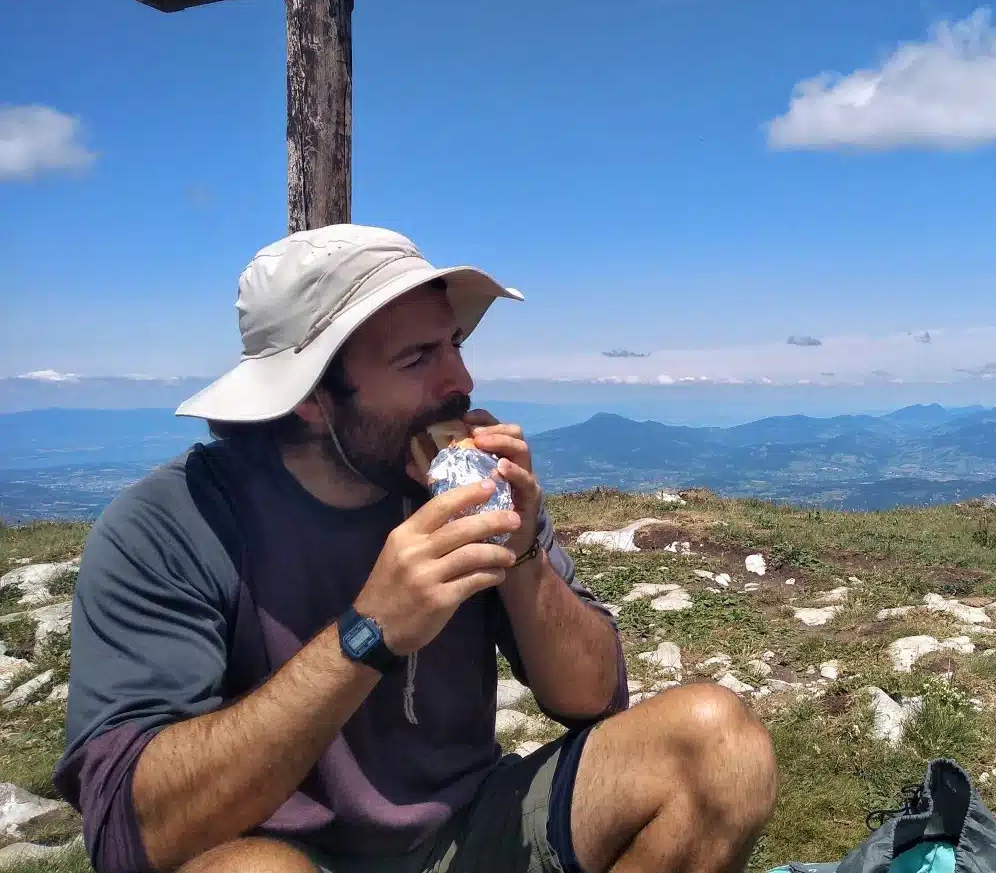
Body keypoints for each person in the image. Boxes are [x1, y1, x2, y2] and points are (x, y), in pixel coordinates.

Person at [54, 224, 778, 873]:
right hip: (287, 852)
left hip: (470, 828)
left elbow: (592, 698)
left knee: (720, 748)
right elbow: (130, 830)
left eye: (456, 344)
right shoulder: (172, 525)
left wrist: (521, 554)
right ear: (310, 397)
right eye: (417, 357)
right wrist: (370, 630)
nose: (460, 381)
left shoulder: (459, 486)